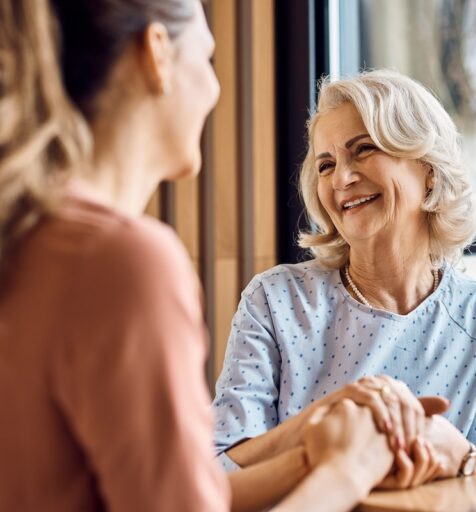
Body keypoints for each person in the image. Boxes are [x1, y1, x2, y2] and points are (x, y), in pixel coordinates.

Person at [0, 2, 419, 512]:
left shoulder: (29, 240)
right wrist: (348, 470)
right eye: (209, 58)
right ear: (157, 54)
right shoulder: (125, 263)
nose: (216, 89)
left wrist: (312, 447)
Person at [213, 70, 476, 481]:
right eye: (326, 164)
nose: (341, 179)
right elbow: (222, 466)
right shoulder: (275, 300)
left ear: (429, 169)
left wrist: (460, 458)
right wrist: (325, 424)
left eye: (364, 149)